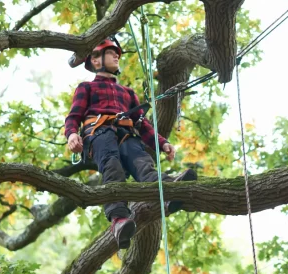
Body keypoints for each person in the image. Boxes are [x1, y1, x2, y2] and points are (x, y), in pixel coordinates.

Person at [64, 36, 197, 249]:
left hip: (127, 134)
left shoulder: (128, 93)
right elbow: (73, 116)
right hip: (99, 133)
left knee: (143, 163)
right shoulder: (86, 88)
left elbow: (143, 124)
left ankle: (168, 192)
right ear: (96, 60)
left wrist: (162, 143)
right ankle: (118, 219)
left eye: (117, 52)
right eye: (111, 52)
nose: (117, 55)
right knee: (111, 165)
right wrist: (72, 134)